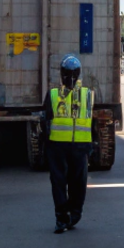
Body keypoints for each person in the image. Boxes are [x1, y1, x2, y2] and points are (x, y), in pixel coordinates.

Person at [43, 54, 94, 234]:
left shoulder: (53, 94)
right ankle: (73, 214)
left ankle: (61, 218)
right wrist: (93, 144)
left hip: (57, 146)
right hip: (79, 147)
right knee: (78, 182)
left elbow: (45, 121)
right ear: (79, 74)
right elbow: (93, 123)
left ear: (61, 74)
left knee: (59, 183)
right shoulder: (88, 95)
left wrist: (45, 146)